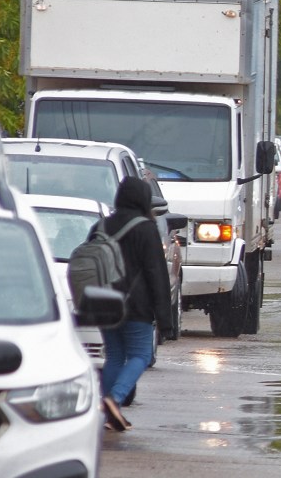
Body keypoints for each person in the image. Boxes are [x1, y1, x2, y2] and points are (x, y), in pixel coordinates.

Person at [99, 177, 173, 431]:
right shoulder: (146, 229)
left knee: (114, 356)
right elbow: (156, 274)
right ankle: (114, 398)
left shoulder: (102, 226)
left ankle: (109, 415)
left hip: (103, 303)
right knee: (141, 355)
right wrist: (165, 318)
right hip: (136, 306)